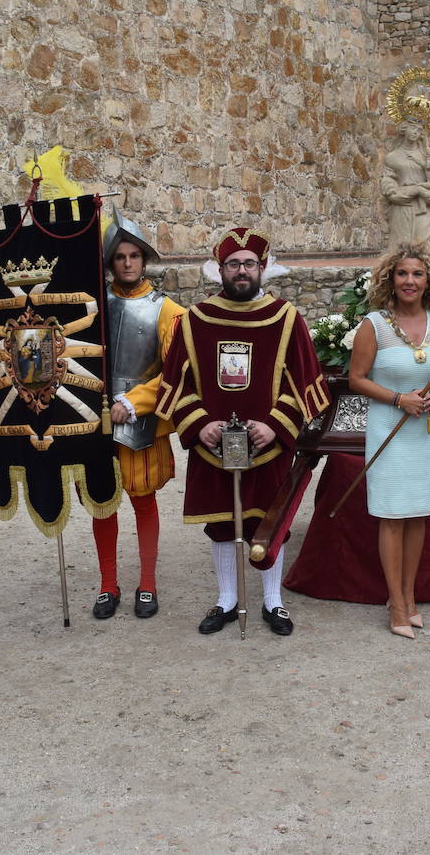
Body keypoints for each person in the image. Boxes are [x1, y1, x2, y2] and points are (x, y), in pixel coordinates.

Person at [157, 228, 329, 636]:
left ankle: (273, 602)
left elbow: (307, 384)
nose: (241, 271)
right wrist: (200, 425)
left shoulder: (286, 319)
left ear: (262, 268)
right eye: (234, 264)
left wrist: (276, 426)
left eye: (249, 264)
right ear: (220, 270)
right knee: (221, 523)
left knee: (271, 521)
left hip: (268, 444)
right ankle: (227, 599)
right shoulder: (194, 321)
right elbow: (174, 387)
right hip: (214, 443)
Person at [346, 244, 430, 638]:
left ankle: (411, 598)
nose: (410, 281)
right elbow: (356, 378)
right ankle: (395, 602)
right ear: (390, 279)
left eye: (418, 274)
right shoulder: (373, 325)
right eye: (402, 273)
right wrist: (399, 399)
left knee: (418, 514)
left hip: (427, 431)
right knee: (393, 515)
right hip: (389, 430)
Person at [91, 206, 187, 619]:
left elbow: (178, 372)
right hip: (94, 418)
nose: (127, 263)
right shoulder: (91, 306)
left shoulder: (167, 311)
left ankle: (146, 583)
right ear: (110, 262)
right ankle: (107, 584)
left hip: (139, 419)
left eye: (133, 256)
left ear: (143, 259)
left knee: (143, 502)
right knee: (102, 503)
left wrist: (134, 402)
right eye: (119, 256)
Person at [381, 120, 430, 254]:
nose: (416, 132)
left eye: (420, 130)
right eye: (413, 128)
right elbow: (388, 181)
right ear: (404, 129)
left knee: (427, 250)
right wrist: (395, 193)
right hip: (402, 209)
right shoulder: (392, 157)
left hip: (427, 209)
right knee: (400, 251)